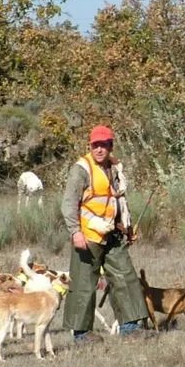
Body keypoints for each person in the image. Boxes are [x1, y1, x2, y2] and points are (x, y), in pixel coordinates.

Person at [61, 124, 154, 343]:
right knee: (83, 283)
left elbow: (118, 200)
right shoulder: (81, 170)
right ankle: (81, 335)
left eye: (103, 145)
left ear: (111, 146)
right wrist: (75, 232)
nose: (99, 149)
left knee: (125, 276)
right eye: (95, 145)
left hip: (112, 233)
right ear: (90, 146)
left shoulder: (114, 167)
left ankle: (130, 329)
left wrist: (127, 227)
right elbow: (68, 204)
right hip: (88, 234)